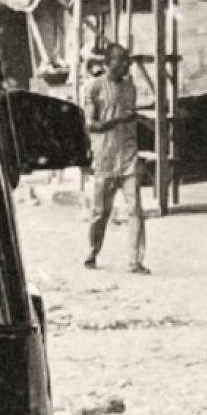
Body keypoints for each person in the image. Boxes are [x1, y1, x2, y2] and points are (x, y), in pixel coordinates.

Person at [77, 39, 149, 271]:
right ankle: (92, 252)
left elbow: (131, 121)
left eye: (127, 60)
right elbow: (91, 125)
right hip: (105, 157)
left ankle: (135, 261)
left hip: (128, 156)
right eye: (121, 60)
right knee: (100, 212)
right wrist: (119, 120)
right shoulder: (93, 87)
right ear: (108, 63)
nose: (126, 64)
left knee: (135, 209)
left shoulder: (130, 88)